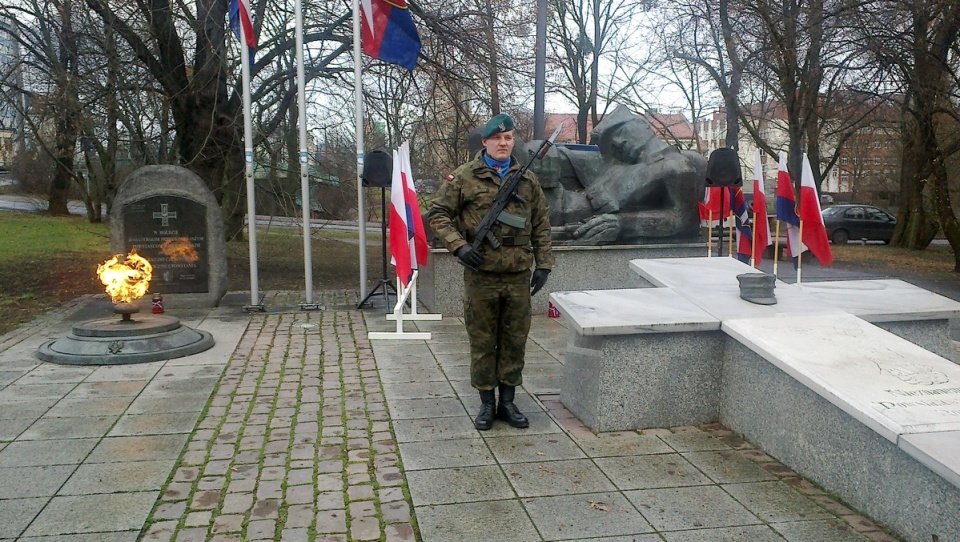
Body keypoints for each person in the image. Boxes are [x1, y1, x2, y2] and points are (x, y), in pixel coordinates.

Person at [427, 113, 554, 431]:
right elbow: (438, 213)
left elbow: (541, 223)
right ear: (485, 142)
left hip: (517, 275)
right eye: (497, 138)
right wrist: (459, 246)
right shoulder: (465, 176)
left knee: (514, 340)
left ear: (513, 142)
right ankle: (486, 404)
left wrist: (545, 264)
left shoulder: (527, 180)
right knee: (483, 340)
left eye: (509, 138)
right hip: (481, 273)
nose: (503, 143)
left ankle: (508, 402)